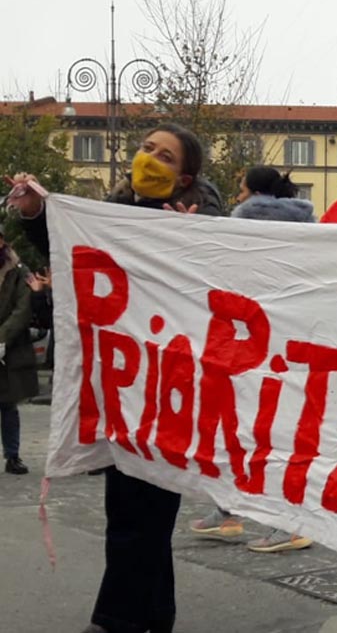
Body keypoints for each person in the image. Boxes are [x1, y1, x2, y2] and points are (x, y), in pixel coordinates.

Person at [8, 122, 222, 633]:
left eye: (163, 155)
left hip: (170, 389)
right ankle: (154, 614)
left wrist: (195, 242)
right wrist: (38, 212)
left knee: (140, 510)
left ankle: (115, 620)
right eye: (146, 148)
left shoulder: (202, 221)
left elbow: (219, 287)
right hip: (121, 388)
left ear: (184, 174)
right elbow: (68, 244)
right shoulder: (111, 213)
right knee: (133, 508)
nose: (149, 158)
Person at [189, 165, 314, 553]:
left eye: (240, 189)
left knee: (246, 434)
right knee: (271, 435)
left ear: (252, 194)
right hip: (289, 347)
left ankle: (284, 522)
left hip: (248, 349)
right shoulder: (308, 229)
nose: (237, 196)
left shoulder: (240, 229)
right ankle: (241, 513)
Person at [0, 224, 38, 475]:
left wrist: (1, 339)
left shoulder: (19, 270)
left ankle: (12, 456)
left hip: (9, 348)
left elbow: (22, 309)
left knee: (7, 404)